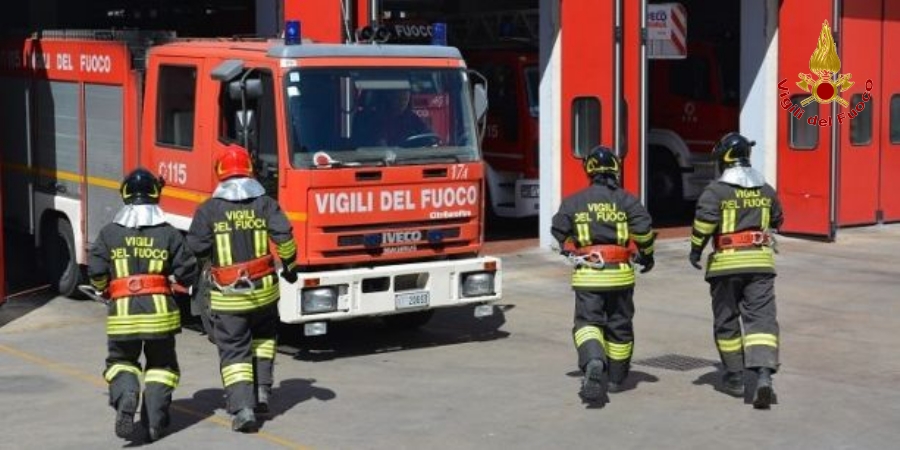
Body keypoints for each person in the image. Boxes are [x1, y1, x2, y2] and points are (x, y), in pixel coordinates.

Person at [186, 147, 298, 432]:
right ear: (250, 169)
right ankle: (262, 392)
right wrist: (290, 267)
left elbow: (196, 249)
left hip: (229, 298)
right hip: (265, 294)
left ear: (220, 173)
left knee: (235, 350)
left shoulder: (209, 210)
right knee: (264, 340)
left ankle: (243, 408)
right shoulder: (266, 203)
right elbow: (285, 238)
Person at [88, 168, 198, 442]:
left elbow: (96, 269)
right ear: (155, 194)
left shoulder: (110, 233)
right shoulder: (169, 233)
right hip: (161, 316)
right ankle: (154, 424)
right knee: (162, 366)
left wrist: (103, 288)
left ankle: (127, 394)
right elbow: (188, 272)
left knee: (121, 362)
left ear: (125, 195)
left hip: (122, 315)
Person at [550, 145, 656, 404]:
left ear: (589, 170)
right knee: (620, 327)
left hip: (589, 275)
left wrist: (571, 247)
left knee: (587, 324)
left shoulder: (574, 201)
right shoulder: (627, 200)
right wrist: (647, 256)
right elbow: (644, 233)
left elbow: (558, 231)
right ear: (615, 169)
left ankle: (594, 361)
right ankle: (617, 379)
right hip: (621, 276)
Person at [688, 132, 784, 409]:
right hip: (760, 265)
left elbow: (704, 226)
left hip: (725, 267)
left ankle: (735, 377)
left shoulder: (715, 191)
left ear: (725, 159)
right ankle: (764, 375)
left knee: (727, 319)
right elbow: (778, 219)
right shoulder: (766, 189)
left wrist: (695, 251)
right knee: (762, 321)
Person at [353, 87, 432, 147]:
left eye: (405, 100)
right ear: (388, 97)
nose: (402, 103)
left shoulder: (412, 118)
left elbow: (427, 137)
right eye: (398, 99)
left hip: (408, 159)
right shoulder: (367, 119)